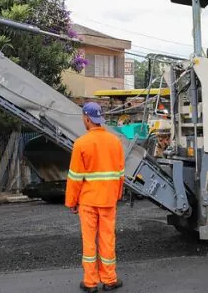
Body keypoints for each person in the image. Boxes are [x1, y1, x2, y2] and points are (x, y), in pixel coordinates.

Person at [65, 102, 125, 292]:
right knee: (107, 239)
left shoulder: (81, 144)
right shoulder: (115, 142)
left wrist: (71, 202)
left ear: (87, 118)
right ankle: (110, 279)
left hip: (88, 201)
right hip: (108, 200)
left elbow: (74, 178)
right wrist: (117, 195)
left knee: (89, 241)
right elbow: (120, 174)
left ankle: (90, 283)